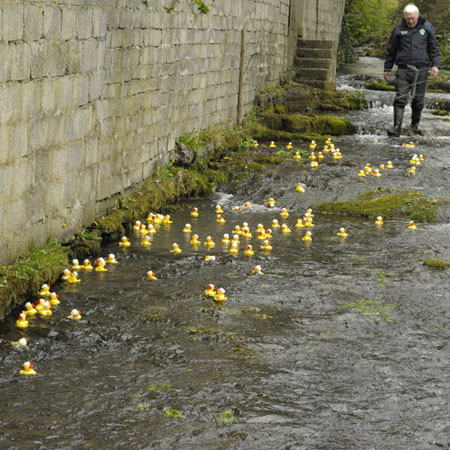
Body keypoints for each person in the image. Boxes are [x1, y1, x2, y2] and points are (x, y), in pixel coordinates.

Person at [384, 3, 440, 137]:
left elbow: (434, 48)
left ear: (417, 15)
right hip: (403, 70)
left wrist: (435, 65)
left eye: (413, 18)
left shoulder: (427, 27)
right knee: (400, 98)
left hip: (421, 69)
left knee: (418, 100)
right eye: (408, 18)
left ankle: (414, 126)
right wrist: (387, 68)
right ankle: (396, 127)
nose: (410, 21)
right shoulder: (398, 29)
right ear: (404, 17)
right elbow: (391, 50)